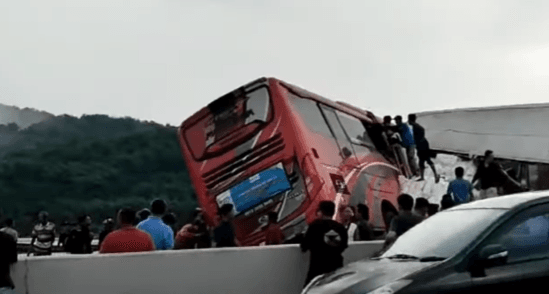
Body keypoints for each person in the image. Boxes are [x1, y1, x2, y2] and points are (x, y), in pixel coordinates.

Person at [301, 201, 348, 288]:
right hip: (336, 268)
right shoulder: (340, 228)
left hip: (317, 269)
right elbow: (343, 246)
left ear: (321, 211)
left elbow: (304, 247)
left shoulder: (314, 226)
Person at [408, 114, 440, 183]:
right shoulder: (415, 126)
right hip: (422, 145)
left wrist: (418, 142)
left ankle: (436, 175)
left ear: (410, 119)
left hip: (422, 145)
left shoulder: (416, 127)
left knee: (427, 160)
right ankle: (422, 177)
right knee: (421, 161)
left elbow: (419, 135)